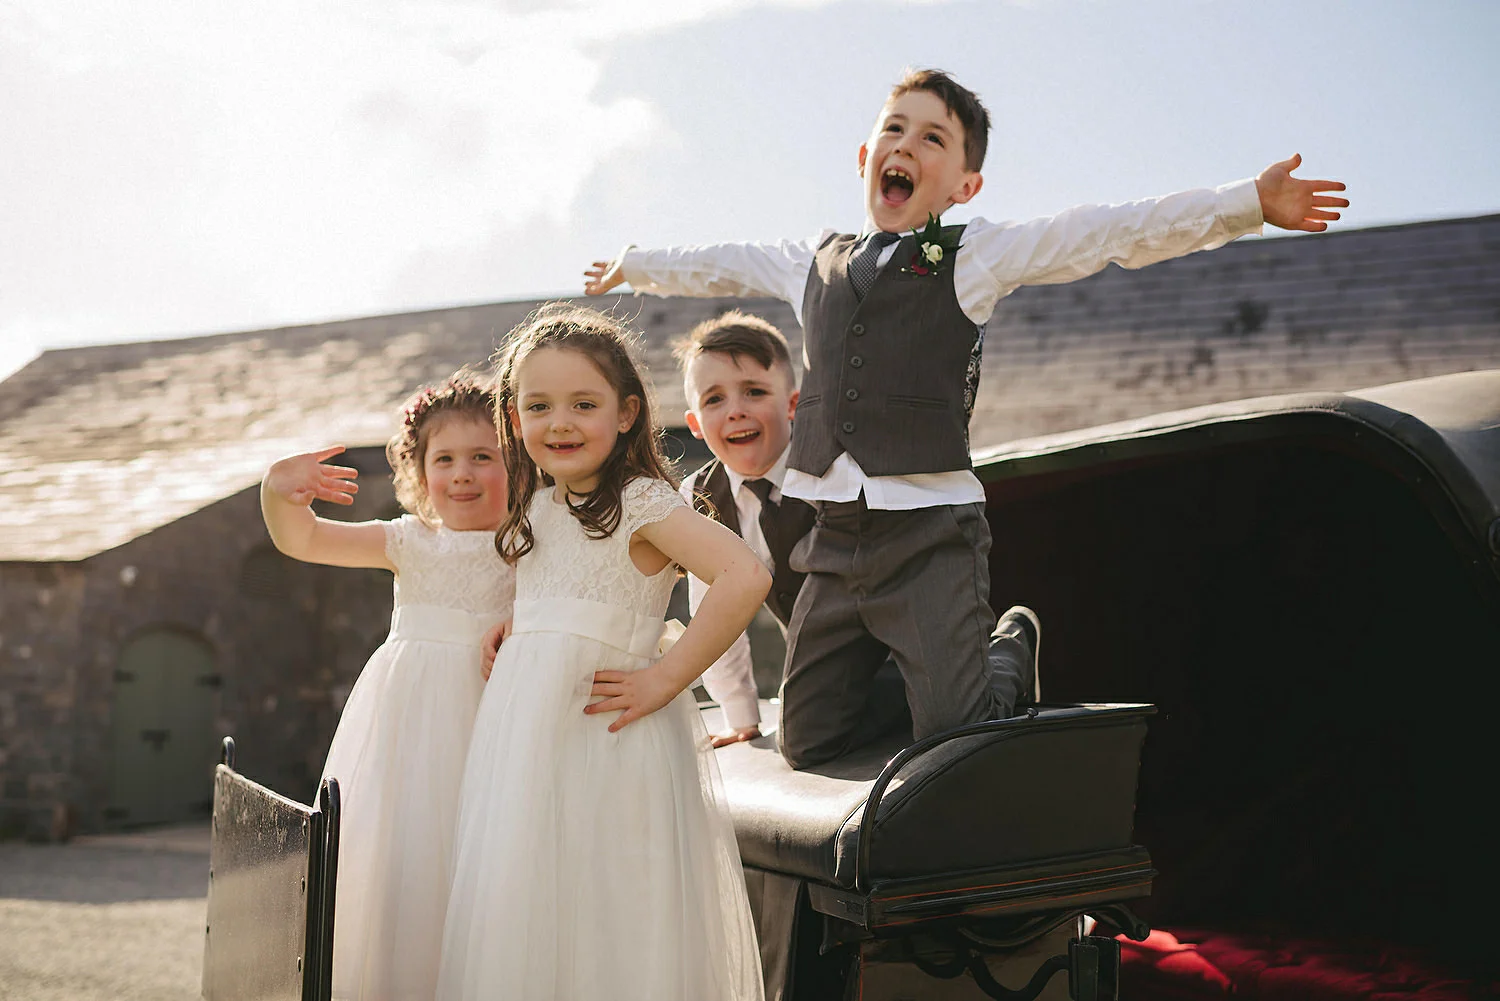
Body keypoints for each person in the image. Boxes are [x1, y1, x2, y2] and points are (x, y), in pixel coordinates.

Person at [584, 67, 1346, 768]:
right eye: (894, 128)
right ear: (863, 157)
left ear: (965, 184)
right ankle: (929, 686)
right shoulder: (809, 261)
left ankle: (1005, 647)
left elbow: (1111, 232)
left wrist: (1247, 202)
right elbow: (717, 262)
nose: (905, 146)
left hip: (926, 534)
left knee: (959, 733)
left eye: (932, 138)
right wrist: (634, 262)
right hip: (836, 542)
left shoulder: (974, 256)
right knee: (808, 743)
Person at [436, 304, 768, 1001]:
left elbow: (745, 575)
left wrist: (668, 678)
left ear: (625, 414)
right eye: (538, 405)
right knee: (534, 901)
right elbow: (560, 598)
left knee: (609, 906)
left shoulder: (641, 500)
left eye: (582, 403)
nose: (559, 421)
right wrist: (515, 626)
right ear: (513, 417)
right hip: (529, 750)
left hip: (610, 741)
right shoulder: (538, 507)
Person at [260, 370, 515, 1001]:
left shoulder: (531, 542)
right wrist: (277, 493)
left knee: (482, 856)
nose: (462, 473)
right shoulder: (409, 540)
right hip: (412, 720)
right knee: (407, 853)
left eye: (483, 457)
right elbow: (306, 539)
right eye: (444, 459)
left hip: (498, 712)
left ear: (518, 462)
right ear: (419, 472)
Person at [672, 309, 1036, 751]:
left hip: (899, 635)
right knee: (803, 739)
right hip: (828, 665)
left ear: (792, 404)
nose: (735, 411)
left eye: (754, 391)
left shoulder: (838, 463)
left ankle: (1005, 651)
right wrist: (742, 715)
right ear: (694, 423)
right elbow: (713, 615)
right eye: (714, 400)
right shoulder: (701, 498)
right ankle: (922, 697)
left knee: (948, 724)